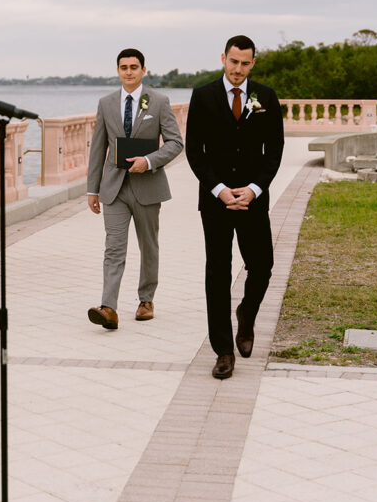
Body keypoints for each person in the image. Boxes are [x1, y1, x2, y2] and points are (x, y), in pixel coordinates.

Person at [186, 35, 284, 379]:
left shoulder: (266, 97)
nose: (238, 69)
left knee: (263, 266)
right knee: (218, 273)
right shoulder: (202, 96)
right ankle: (223, 350)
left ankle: (247, 314)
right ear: (223, 59)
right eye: (233, 62)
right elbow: (194, 151)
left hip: (253, 200)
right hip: (216, 202)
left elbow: (274, 150)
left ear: (253, 63)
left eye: (245, 63)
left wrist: (255, 189)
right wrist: (219, 190)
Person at [87, 48, 183, 329]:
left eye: (133, 67)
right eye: (123, 67)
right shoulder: (105, 103)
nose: (128, 71)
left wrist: (150, 161)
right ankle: (108, 308)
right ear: (117, 70)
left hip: (147, 188)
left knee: (148, 246)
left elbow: (176, 142)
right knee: (113, 249)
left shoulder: (159, 101)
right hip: (113, 189)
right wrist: (92, 190)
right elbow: (98, 148)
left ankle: (146, 299)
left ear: (143, 70)